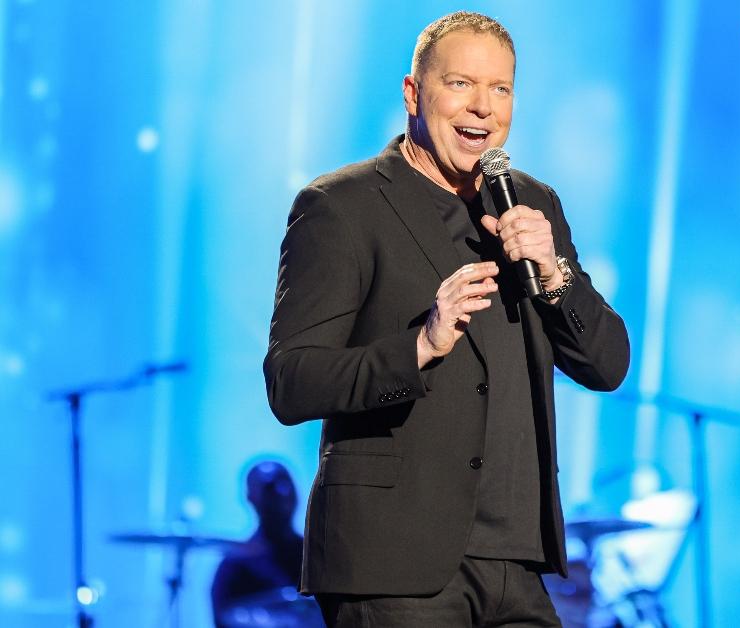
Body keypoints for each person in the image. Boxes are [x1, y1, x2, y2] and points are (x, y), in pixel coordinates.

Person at [262, 10, 630, 627]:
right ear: (413, 93)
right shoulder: (341, 206)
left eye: (501, 89)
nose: (483, 107)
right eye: (460, 84)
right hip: (394, 564)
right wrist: (421, 346)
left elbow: (607, 364)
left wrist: (554, 272)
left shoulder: (533, 204)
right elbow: (291, 380)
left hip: (519, 561)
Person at [210, 461, 315, 627]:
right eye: (271, 486)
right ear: (251, 497)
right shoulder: (235, 565)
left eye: (287, 482)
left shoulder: (317, 556)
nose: (283, 491)